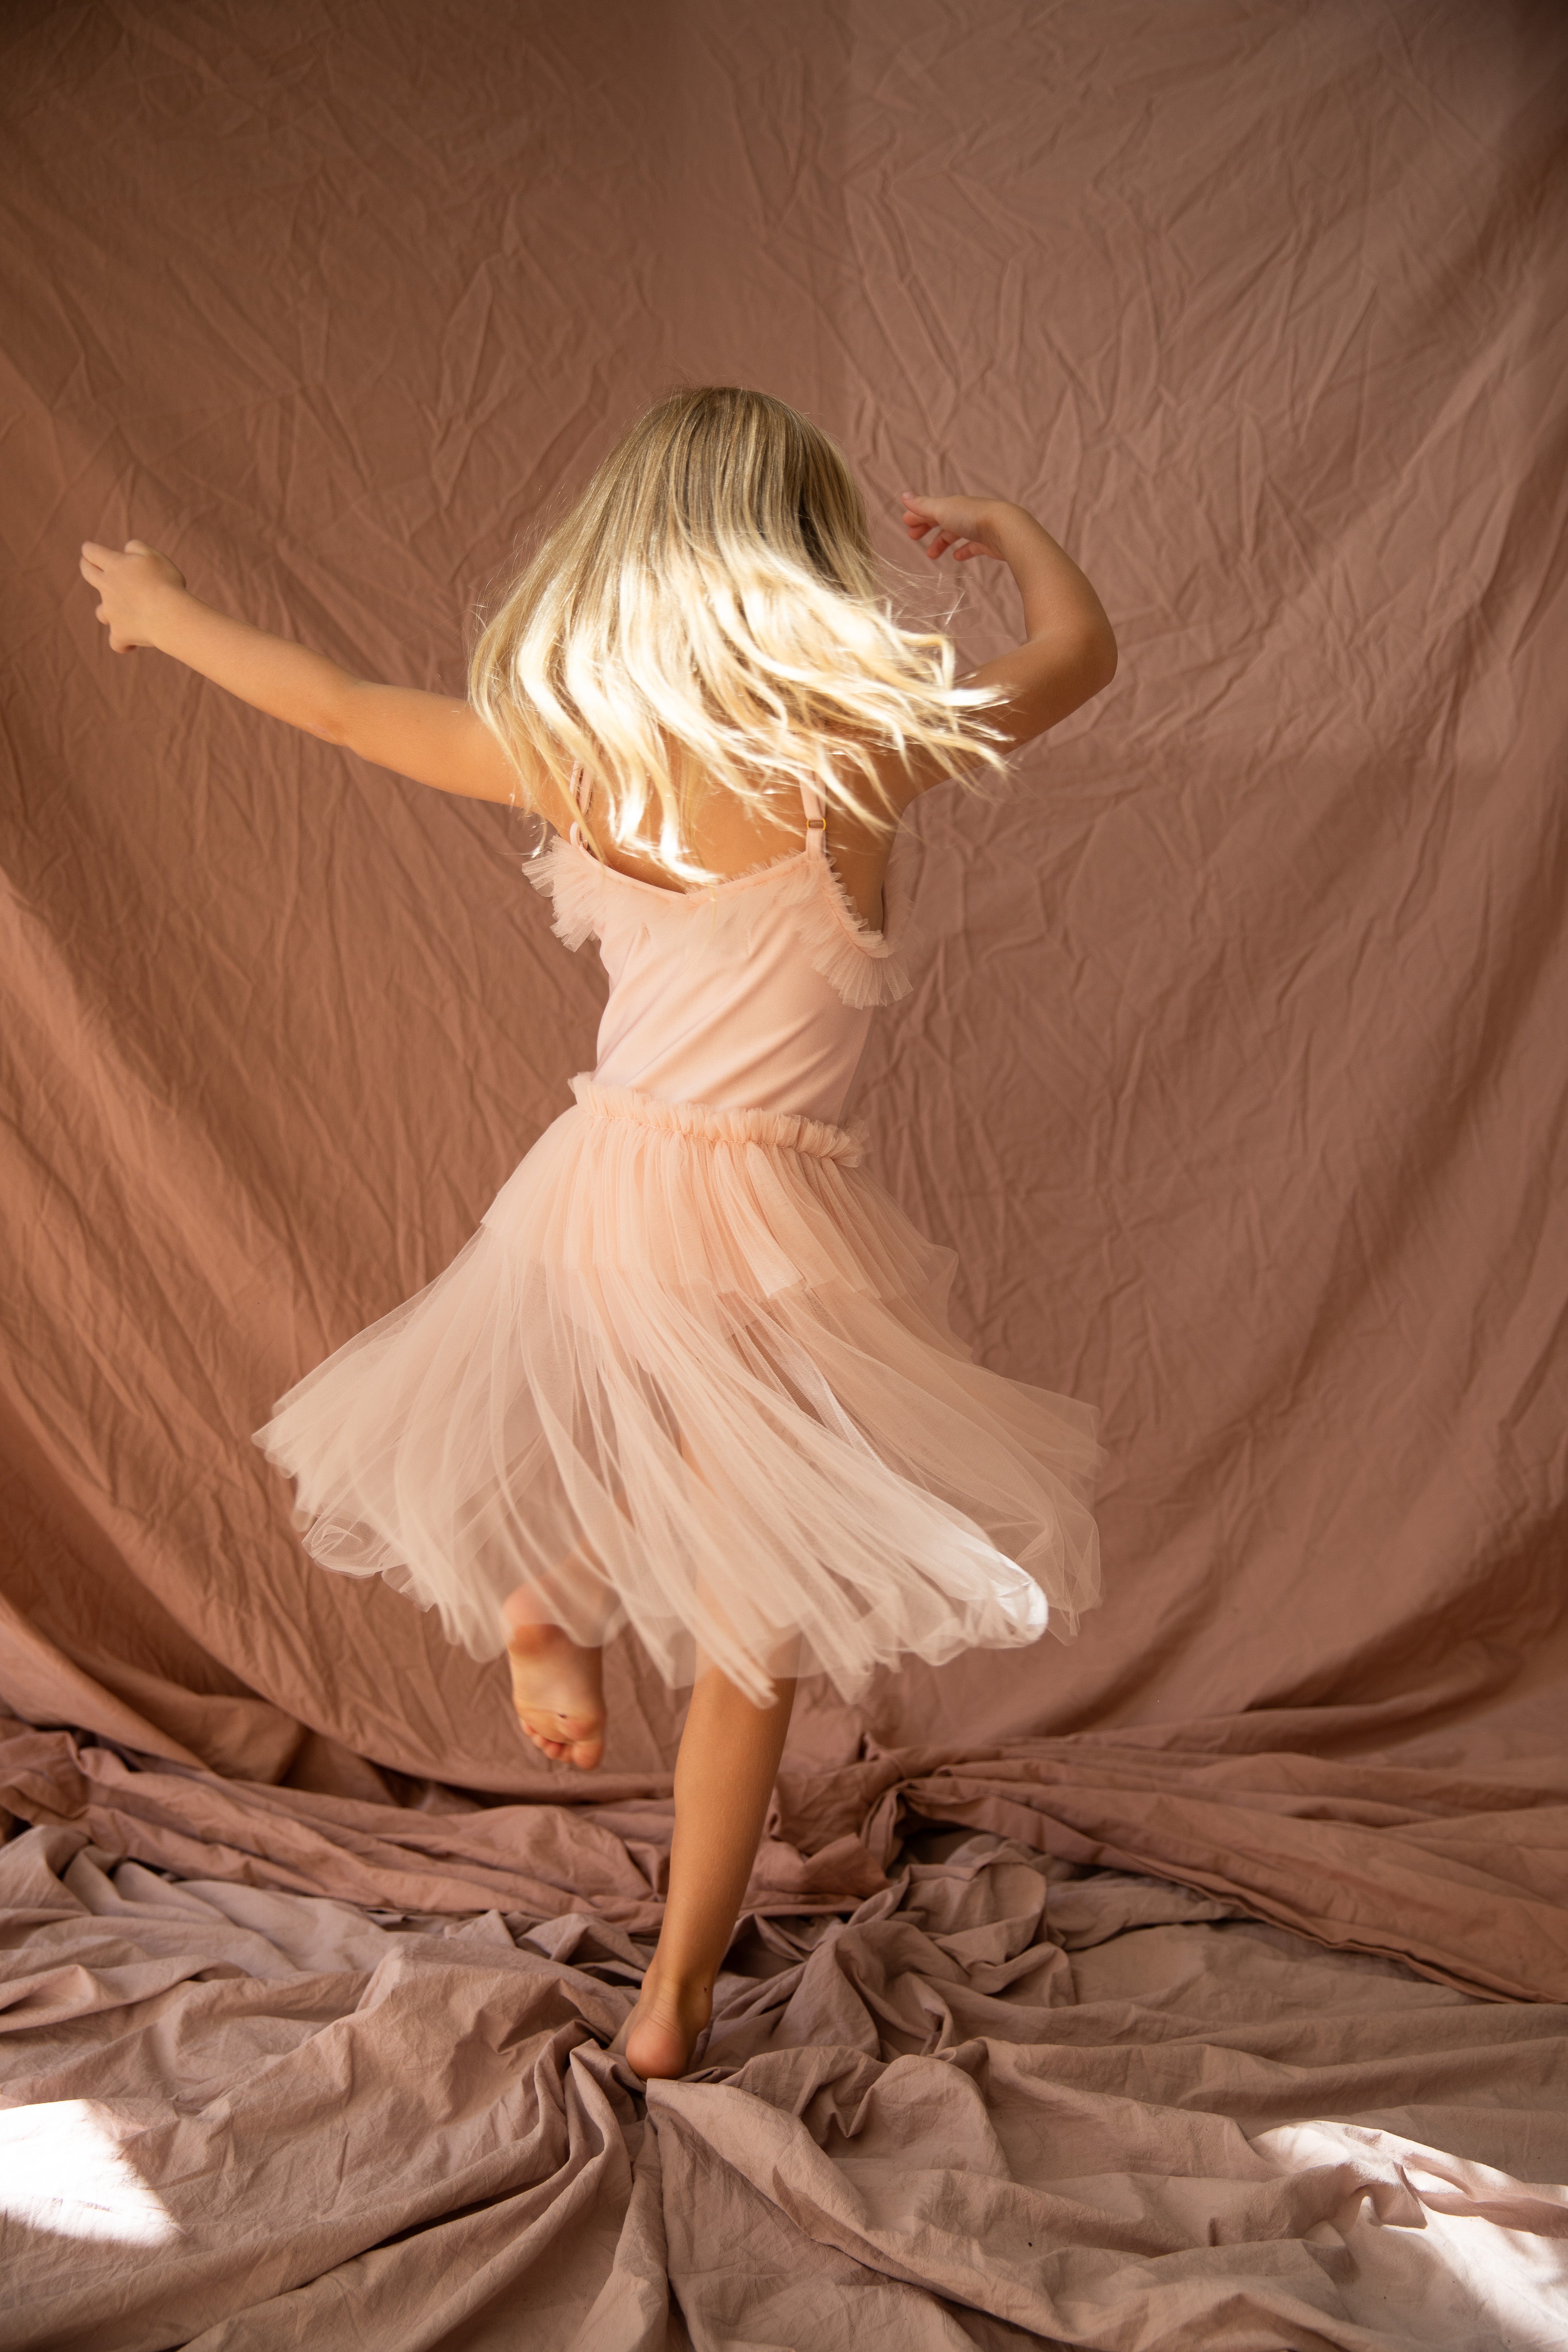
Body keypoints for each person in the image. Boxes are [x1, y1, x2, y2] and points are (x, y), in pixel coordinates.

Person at [78, 385, 1117, 2080]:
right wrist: (1010, 538)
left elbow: (338, 711)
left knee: (698, 1474)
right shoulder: (866, 749)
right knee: (752, 1618)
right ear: (800, 561)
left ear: (625, 558)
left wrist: (167, 613)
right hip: (767, 1218)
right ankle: (673, 1998)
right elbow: (1081, 658)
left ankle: (551, 1601)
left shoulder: (579, 753)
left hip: (599, 1191)